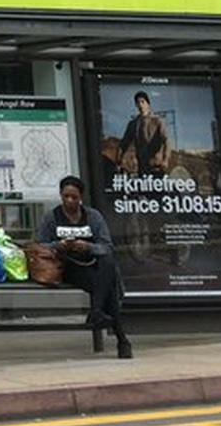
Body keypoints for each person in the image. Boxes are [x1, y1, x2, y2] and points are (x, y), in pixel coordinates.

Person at [37, 174, 132, 358]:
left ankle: (97, 312)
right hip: (68, 267)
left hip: (93, 263)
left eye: (74, 197)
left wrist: (87, 246)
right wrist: (59, 245)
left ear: (81, 198)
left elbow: (107, 247)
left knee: (108, 265)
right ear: (61, 196)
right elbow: (40, 245)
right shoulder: (52, 217)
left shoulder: (93, 217)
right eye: (66, 196)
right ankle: (122, 340)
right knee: (108, 288)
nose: (69, 201)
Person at [117, 91, 169, 174]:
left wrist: (165, 160)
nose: (140, 105)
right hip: (142, 167)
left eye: (142, 101)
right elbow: (124, 143)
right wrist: (119, 159)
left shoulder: (158, 121)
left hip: (157, 167)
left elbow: (166, 140)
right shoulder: (133, 124)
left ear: (148, 103)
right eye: (138, 102)